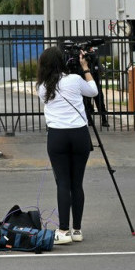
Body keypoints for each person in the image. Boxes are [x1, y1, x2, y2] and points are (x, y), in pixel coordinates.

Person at [35, 46, 98, 246]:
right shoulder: (75, 79)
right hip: (79, 134)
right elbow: (93, 91)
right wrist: (85, 68)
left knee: (63, 183)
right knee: (77, 183)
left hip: (57, 136)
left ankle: (63, 230)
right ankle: (77, 230)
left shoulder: (42, 87)